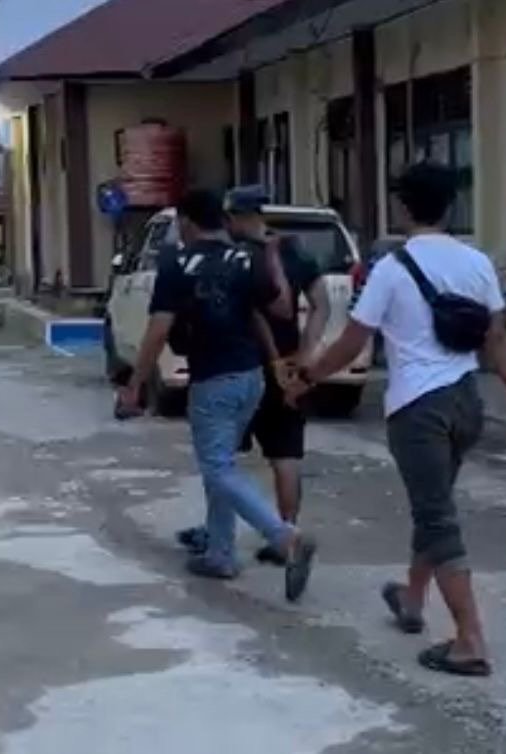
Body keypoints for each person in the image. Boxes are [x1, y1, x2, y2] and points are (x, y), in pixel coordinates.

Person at [288, 163, 506, 676]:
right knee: (435, 503)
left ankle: (470, 640)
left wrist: (309, 376)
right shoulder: (476, 263)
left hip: (418, 410)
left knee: (436, 518)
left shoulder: (390, 268)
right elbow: (496, 339)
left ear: (403, 207)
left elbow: (353, 342)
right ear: (450, 207)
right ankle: (411, 596)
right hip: (466, 402)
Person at [117, 188, 318, 602]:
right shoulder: (245, 259)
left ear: (186, 222)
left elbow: (158, 330)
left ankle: (285, 538)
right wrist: (271, 257)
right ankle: (220, 553)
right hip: (251, 377)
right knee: (221, 462)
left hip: (213, 380)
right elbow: (281, 308)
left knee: (218, 468)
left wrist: (135, 383)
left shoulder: (176, 264)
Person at [226, 185, 330, 565]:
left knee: (222, 459)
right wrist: (305, 351)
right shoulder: (293, 251)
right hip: (288, 367)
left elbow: (258, 313)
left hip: (242, 366)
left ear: (239, 216)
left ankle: (223, 536)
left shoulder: (237, 255)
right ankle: (288, 532)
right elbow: (322, 304)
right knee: (285, 455)